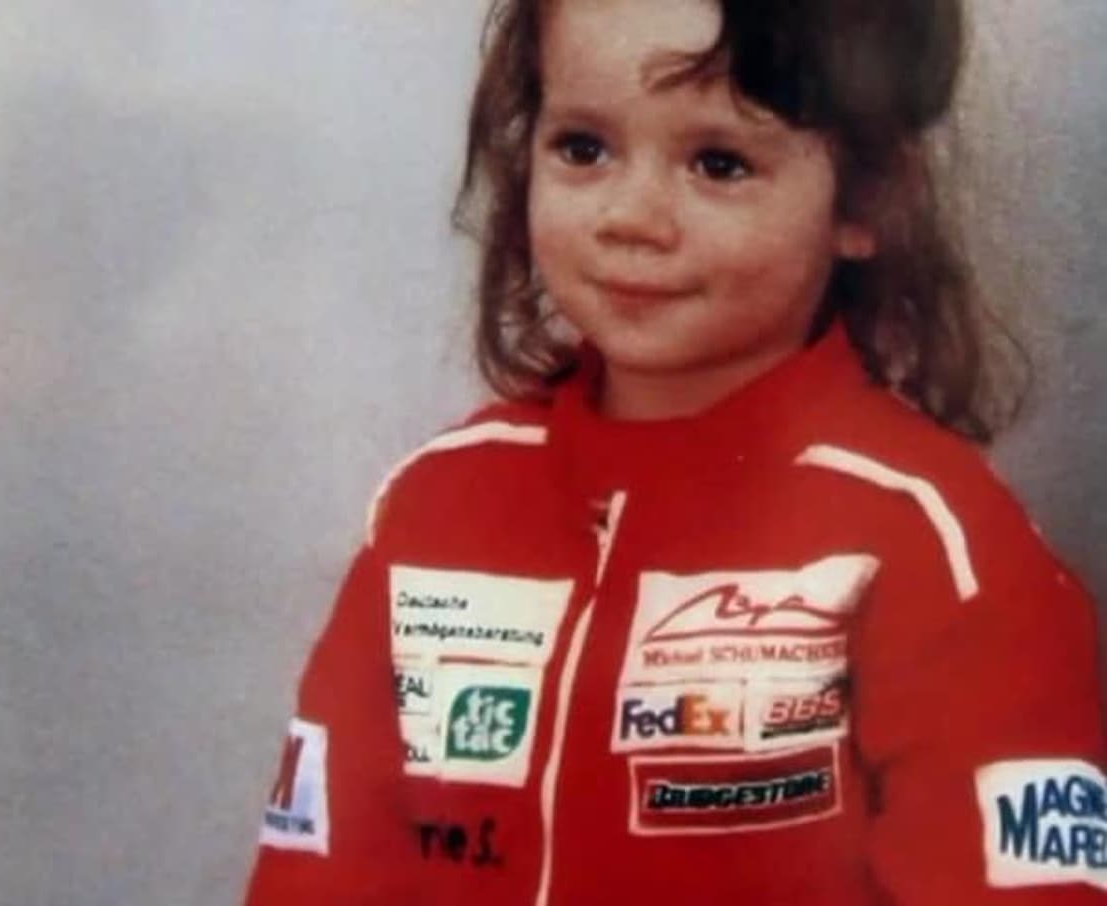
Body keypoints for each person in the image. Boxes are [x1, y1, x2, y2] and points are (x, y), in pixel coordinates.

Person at [242, 0, 1107, 903]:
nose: (632, 217)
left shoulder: (932, 542)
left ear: (866, 198)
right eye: (583, 148)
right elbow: (315, 876)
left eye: (718, 163)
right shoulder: (435, 507)